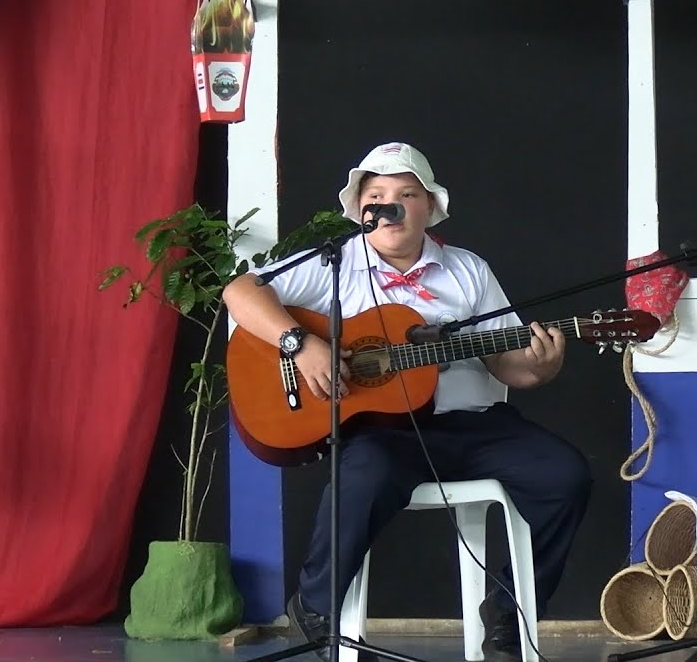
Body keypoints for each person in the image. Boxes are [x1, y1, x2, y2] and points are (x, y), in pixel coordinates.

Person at [222, 142, 592, 662]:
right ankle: (316, 607)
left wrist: (542, 365)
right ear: (361, 210)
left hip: (476, 427)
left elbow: (508, 364)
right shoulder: (333, 263)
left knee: (565, 474)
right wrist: (301, 343)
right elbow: (240, 291)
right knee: (365, 469)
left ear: (428, 206)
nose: (388, 203)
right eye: (375, 195)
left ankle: (506, 621)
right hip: (383, 431)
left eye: (405, 193)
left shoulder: (467, 270)